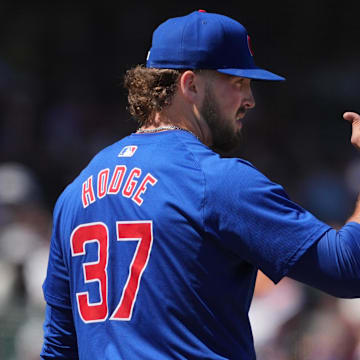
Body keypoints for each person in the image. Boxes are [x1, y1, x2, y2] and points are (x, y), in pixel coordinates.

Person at [41, 10, 360, 359]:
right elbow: (348, 268)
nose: (250, 99)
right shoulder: (216, 181)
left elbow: (59, 349)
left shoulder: (76, 192)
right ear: (190, 84)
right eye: (237, 82)